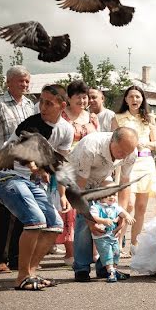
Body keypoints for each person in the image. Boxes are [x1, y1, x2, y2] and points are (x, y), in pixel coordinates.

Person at [0, 84, 72, 290]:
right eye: (41, 101)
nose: (42, 106)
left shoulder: (66, 129)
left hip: (29, 181)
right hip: (5, 176)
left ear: (62, 105)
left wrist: (63, 194)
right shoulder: (32, 123)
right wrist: (38, 168)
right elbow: (26, 158)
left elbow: (59, 164)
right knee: (35, 221)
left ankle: (31, 273)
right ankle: (21, 276)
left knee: (54, 224)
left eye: (48, 103)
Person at [0, 65, 35, 274]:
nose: (24, 84)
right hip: (3, 167)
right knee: (2, 215)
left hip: (25, 167)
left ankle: (17, 258)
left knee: (24, 213)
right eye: (20, 80)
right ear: (8, 82)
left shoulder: (31, 105)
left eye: (27, 81)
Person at [69, 128, 137, 282]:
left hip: (100, 180)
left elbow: (124, 184)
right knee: (85, 224)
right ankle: (81, 268)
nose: (124, 156)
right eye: (121, 151)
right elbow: (80, 188)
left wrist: (121, 216)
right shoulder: (90, 147)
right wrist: (91, 221)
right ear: (112, 140)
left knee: (111, 224)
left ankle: (105, 267)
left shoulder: (130, 153)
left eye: (128, 152)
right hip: (77, 181)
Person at [111, 86, 156, 254]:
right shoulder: (118, 118)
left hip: (146, 163)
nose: (135, 100)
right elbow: (113, 142)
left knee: (141, 206)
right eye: (131, 96)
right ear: (126, 99)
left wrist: (144, 143)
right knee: (127, 205)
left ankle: (135, 244)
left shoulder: (149, 118)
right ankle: (117, 242)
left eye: (138, 97)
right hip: (127, 163)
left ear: (142, 99)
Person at [59, 79, 100, 265]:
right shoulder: (62, 116)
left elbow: (98, 140)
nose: (83, 101)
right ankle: (70, 252)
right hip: (68, 165)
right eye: (78, 97)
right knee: (69, 208)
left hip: (90, 167)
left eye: (85, 98)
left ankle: (90, 250)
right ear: (69, 98)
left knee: (90, 207)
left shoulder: (92, 117)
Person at [89, 185, 131, 283]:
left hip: (112, 235)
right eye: (109, 195)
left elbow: (122, 212)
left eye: (114, 195)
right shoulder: (96, 207)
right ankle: (110, 271)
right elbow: (92, 216)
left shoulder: (115, 206)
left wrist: (127, 216)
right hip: (102, 236)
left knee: (116, 253)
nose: (112, 197)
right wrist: (103, 220)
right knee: (107, 254)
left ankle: (114, 270)